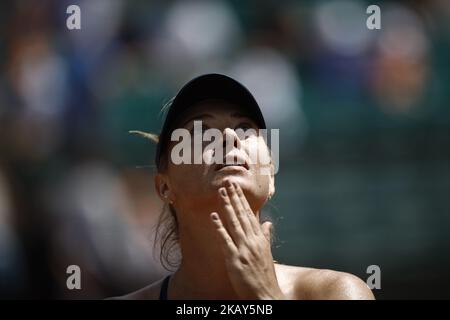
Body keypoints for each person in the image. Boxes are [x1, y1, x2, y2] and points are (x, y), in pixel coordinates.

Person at [113, 74, 374, 300]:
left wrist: (266, 297)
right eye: (202, 131)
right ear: (164, 187)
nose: (229, 138)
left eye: (245, 128)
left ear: (270, 176)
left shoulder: (338, 292)